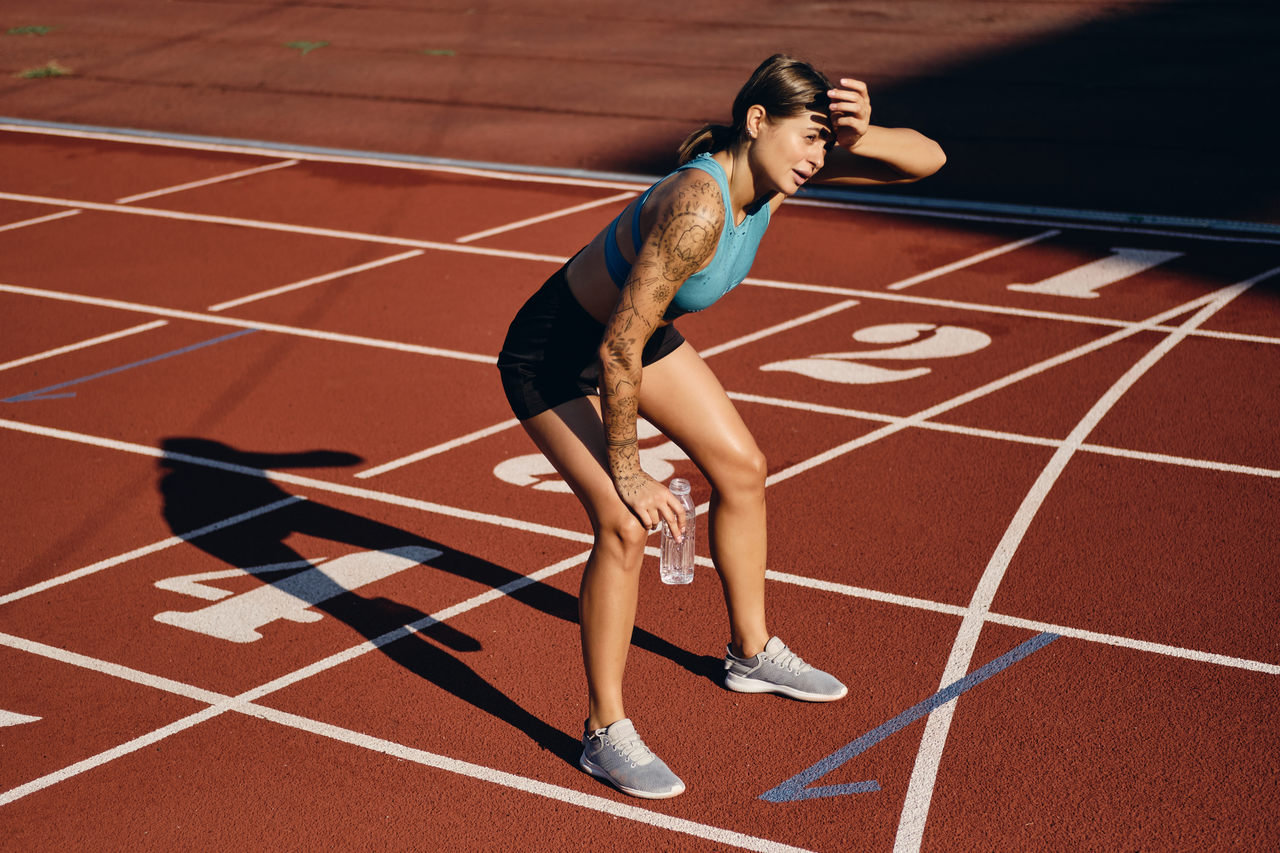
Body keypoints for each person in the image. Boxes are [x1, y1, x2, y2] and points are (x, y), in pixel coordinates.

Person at [497, 54, 945, 799]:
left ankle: (751, 651)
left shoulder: (772, 179)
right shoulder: (699, 208)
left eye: (824, 147)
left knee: (743, 468)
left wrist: (864, 138)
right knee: (622, 524)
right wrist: (632, 471)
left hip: (637, 333)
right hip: (555, 355)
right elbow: (615, 350)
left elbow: (929, 161)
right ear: (757, 121)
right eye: (808, 138)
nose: (815, 159)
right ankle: (604, 731)